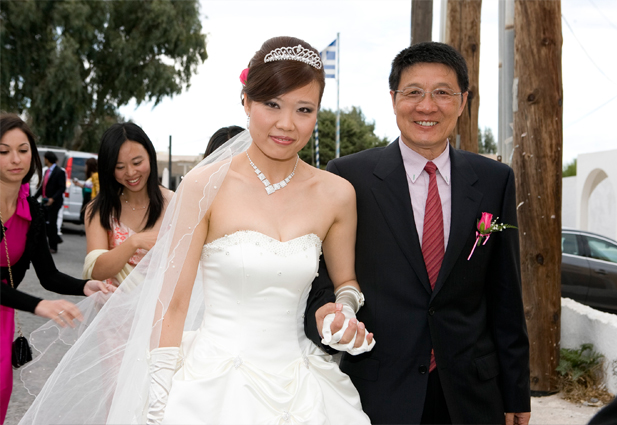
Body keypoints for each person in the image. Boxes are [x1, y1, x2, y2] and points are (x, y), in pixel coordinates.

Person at [18, 36, 374, 425]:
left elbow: (347, 283)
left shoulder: (337, 194)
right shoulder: (204, 185)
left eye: (303, 109)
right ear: (246, 101)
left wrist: (344, 312)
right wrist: (157, 399)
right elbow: (173, 303)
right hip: (212, 385)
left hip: (303, 386)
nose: (286, 123)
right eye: (272, 104)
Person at [306, 41, 531, 424]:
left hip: (471, 393)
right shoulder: (348, 177)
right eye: (413, 92)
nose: (427, 106)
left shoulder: (495, 180)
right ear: (393, 99)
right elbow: (321, 276)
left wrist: (516, 391)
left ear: (462, 102)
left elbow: (505, 294)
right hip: (376, 387)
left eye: (442, 93)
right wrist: (331, 317)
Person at [0, 114, 114, 423]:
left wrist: (84, 286)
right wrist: (39, 305)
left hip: (3, 314)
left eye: (23, 150)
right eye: (3, 151)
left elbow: (48, 275)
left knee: (0, 395)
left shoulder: (31, 210)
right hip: (7, 304)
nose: (15, 159)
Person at [83, 123, 173, 287]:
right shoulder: (100, 209)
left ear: (150, 157)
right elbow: (96, 271)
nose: (131, 173)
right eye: (120, 167)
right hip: (114, 309)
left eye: (137, 163)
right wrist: (134, 242)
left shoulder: (176, 203)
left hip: (164, 309)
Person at [34, 151, 65, 253]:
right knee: (44, 223)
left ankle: (53, 246)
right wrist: (34, 197)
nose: (44, 160)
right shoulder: (47, 171)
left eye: (45, 158)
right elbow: (43, 187)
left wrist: (53, 198)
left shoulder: (60, 172)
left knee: (52, 223)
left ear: (47, 159)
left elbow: (62, 188)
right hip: (45, 201)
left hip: (55, 202)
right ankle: (55, 238)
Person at [72, 157, 98, 224]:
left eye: (86, 166)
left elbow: (97, 189)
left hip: (91, 200)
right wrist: (78, 184)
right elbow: (89, 187)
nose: (85, 168)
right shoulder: (91, 177)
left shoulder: (95, 176)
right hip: (88, 200)